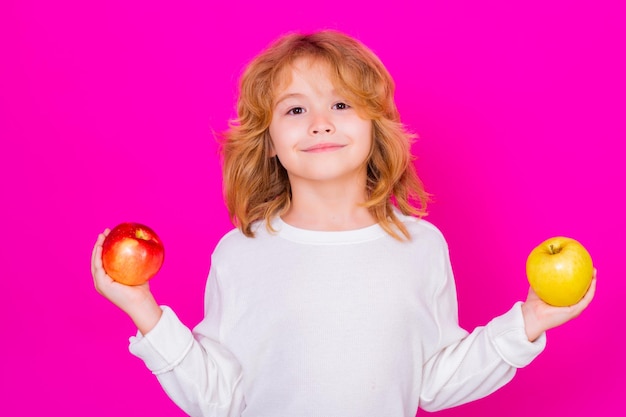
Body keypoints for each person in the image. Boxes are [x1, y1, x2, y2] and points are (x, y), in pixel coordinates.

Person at [91, 30, 596, 417]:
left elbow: (435, 381)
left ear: (375, 127)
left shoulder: (420, 246)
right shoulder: (240, 252)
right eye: (295, 109)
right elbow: (221, 397)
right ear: (269, 141)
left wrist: (527, 324)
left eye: (340, 104)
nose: (320, 122)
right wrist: (143, 309)